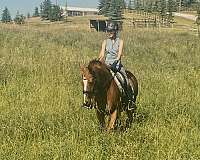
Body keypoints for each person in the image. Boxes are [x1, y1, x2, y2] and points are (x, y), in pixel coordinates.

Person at [98, 22, 134, 109]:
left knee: (125, 79)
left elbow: (119, 53)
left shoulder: (120, 41)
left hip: (117, 65)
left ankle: (129, 101)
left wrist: (116, 61)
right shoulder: (105, 42)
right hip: (107, 65)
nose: (109, 32)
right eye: (108, 31)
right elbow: (102, 54)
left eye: (111, 31)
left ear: (115, 31)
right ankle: (96, 102)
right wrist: (98, 62)